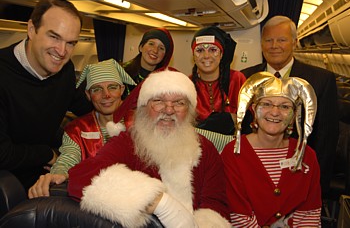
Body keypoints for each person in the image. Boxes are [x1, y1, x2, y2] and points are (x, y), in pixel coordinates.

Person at [67, 70, 230, 227]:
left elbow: (217, 205)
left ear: (189, 111)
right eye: (158, 101)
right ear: (144, 107)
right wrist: (160, 203)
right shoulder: (128, 142)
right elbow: (84, 177)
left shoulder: (205, 149)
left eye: (179, 103)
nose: (168, 110)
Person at [0, 0, 92, 192]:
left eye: (71, 43)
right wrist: (47, 154)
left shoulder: (65, 70)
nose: (61, 51)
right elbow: (2, 153)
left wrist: (118, 106)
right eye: (54, 37)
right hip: (8, 181)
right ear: (32, 30)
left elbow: (79, 103)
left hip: (47, 173)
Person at [241, 15, 339, 197]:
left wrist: (317, 187)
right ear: (261, 44)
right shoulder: (245, 78)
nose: (274, 46)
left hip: (299, 174)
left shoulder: (321, 80)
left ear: (294, 43)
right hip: (252, 173)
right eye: (268, 40)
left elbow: (327, 137)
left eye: (282, 40)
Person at [222, 72, 322, 227]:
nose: (275, 112)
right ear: (254, 109)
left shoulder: (307, 156)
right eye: (267, 104)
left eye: (284, 106)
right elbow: (239, 216)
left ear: (294, 113)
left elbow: (309, 214)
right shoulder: (233, 153)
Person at [27, 58, 136, 199]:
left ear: (122, 89)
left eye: (112, 87)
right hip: (94, 199)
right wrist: (58, 174)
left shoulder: (141, 122)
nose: (106, 95)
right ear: (88, 95)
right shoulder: (76, 130)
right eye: (97, 89)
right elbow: (68, 157)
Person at [190, 26, 246, 135]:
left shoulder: (237, 79)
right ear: (193, 56)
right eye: (200, 50)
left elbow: (250, 120)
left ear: (221, 54)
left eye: (213, 50)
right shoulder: (186, 84)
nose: (206, 56)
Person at [122, 27, 175, 98]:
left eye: (161, 48)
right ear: (141, 47)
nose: (155, 50)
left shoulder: (166, 82)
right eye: (151, 44)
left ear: (165, 56)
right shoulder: (121, 72)